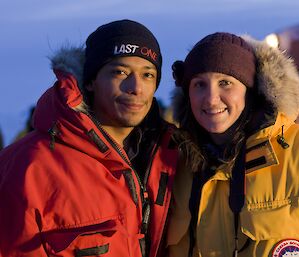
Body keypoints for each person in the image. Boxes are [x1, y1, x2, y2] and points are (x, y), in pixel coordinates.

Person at [0, 19, 178, 257]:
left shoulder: (173, 158)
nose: (136, 87)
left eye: (147, 74)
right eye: (120, 72)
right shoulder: (26, 167)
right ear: (91, 81)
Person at [167, 32, 299, 257]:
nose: (211, 98)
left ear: (250, 91)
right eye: (199, 84)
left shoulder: (294, 152)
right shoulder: (175, 164)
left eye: (225, 83)